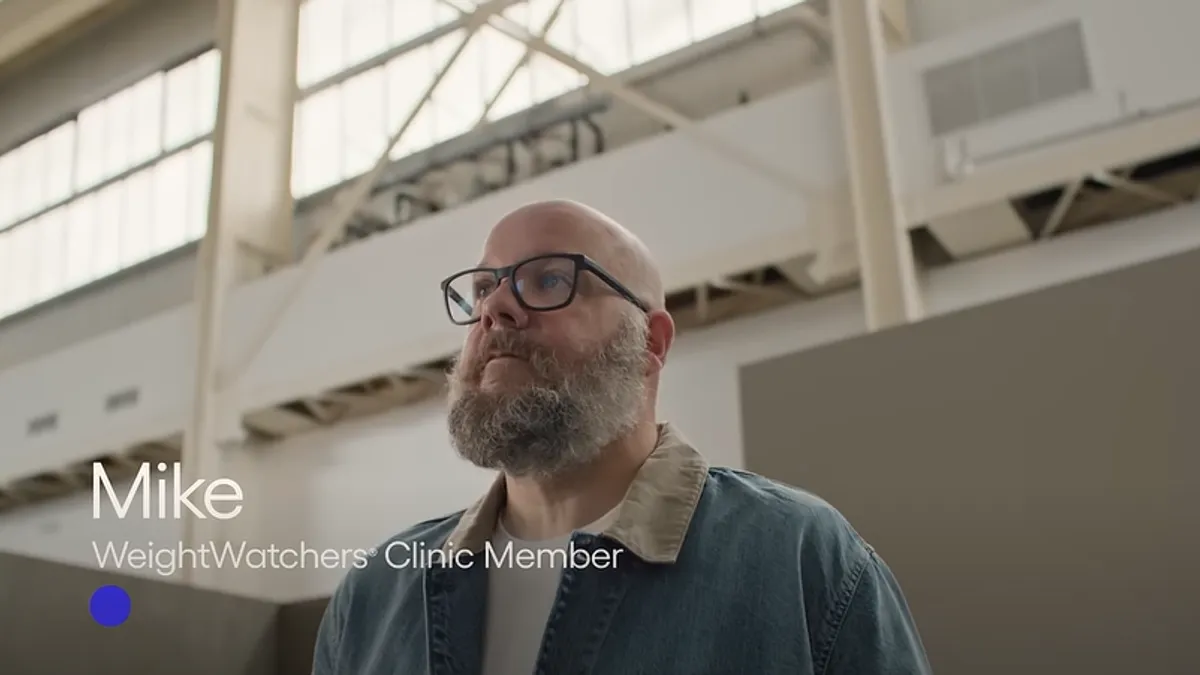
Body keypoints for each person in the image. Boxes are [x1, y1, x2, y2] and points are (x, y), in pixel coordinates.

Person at [311, 199, 932, 675]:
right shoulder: (377, 596)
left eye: (549, 280)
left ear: (651, 344)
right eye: (483, 288)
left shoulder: (801, 561)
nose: (496, 307)